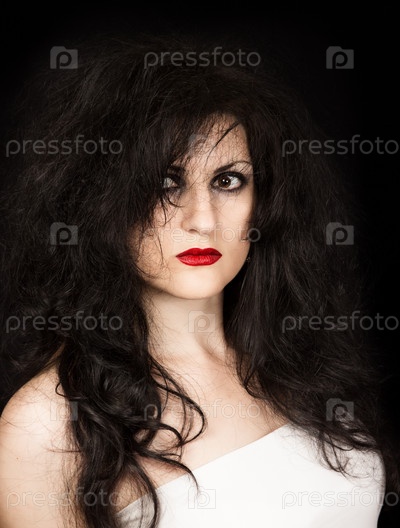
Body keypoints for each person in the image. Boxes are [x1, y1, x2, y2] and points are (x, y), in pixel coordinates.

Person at [0, 34, 397, 528]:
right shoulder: (48, 425)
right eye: (167, 183)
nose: (203, 220)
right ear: (99, 202)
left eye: (227, 181)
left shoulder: (301, 360)